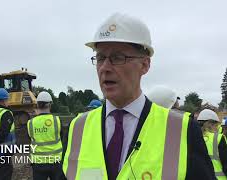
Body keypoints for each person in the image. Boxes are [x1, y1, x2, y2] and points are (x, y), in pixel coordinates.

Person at [62, 13, 215, 179]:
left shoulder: (181, 130)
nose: (105, 67)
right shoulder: (77, 128)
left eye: (117, 57)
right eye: (100, 58)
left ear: (145, 64)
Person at [27, 91, 66, 180]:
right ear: (50, 105)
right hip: (56, 161)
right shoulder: (57, 120)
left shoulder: (31, 123)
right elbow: (61, 137)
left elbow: (30, 139)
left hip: (38, 163)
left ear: (37, 105)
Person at [197, 109, 227, 179]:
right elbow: (226, 163)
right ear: (209, 124)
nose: (217, 128)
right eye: (216, 125)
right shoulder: (218, 138)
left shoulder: (193, 137)